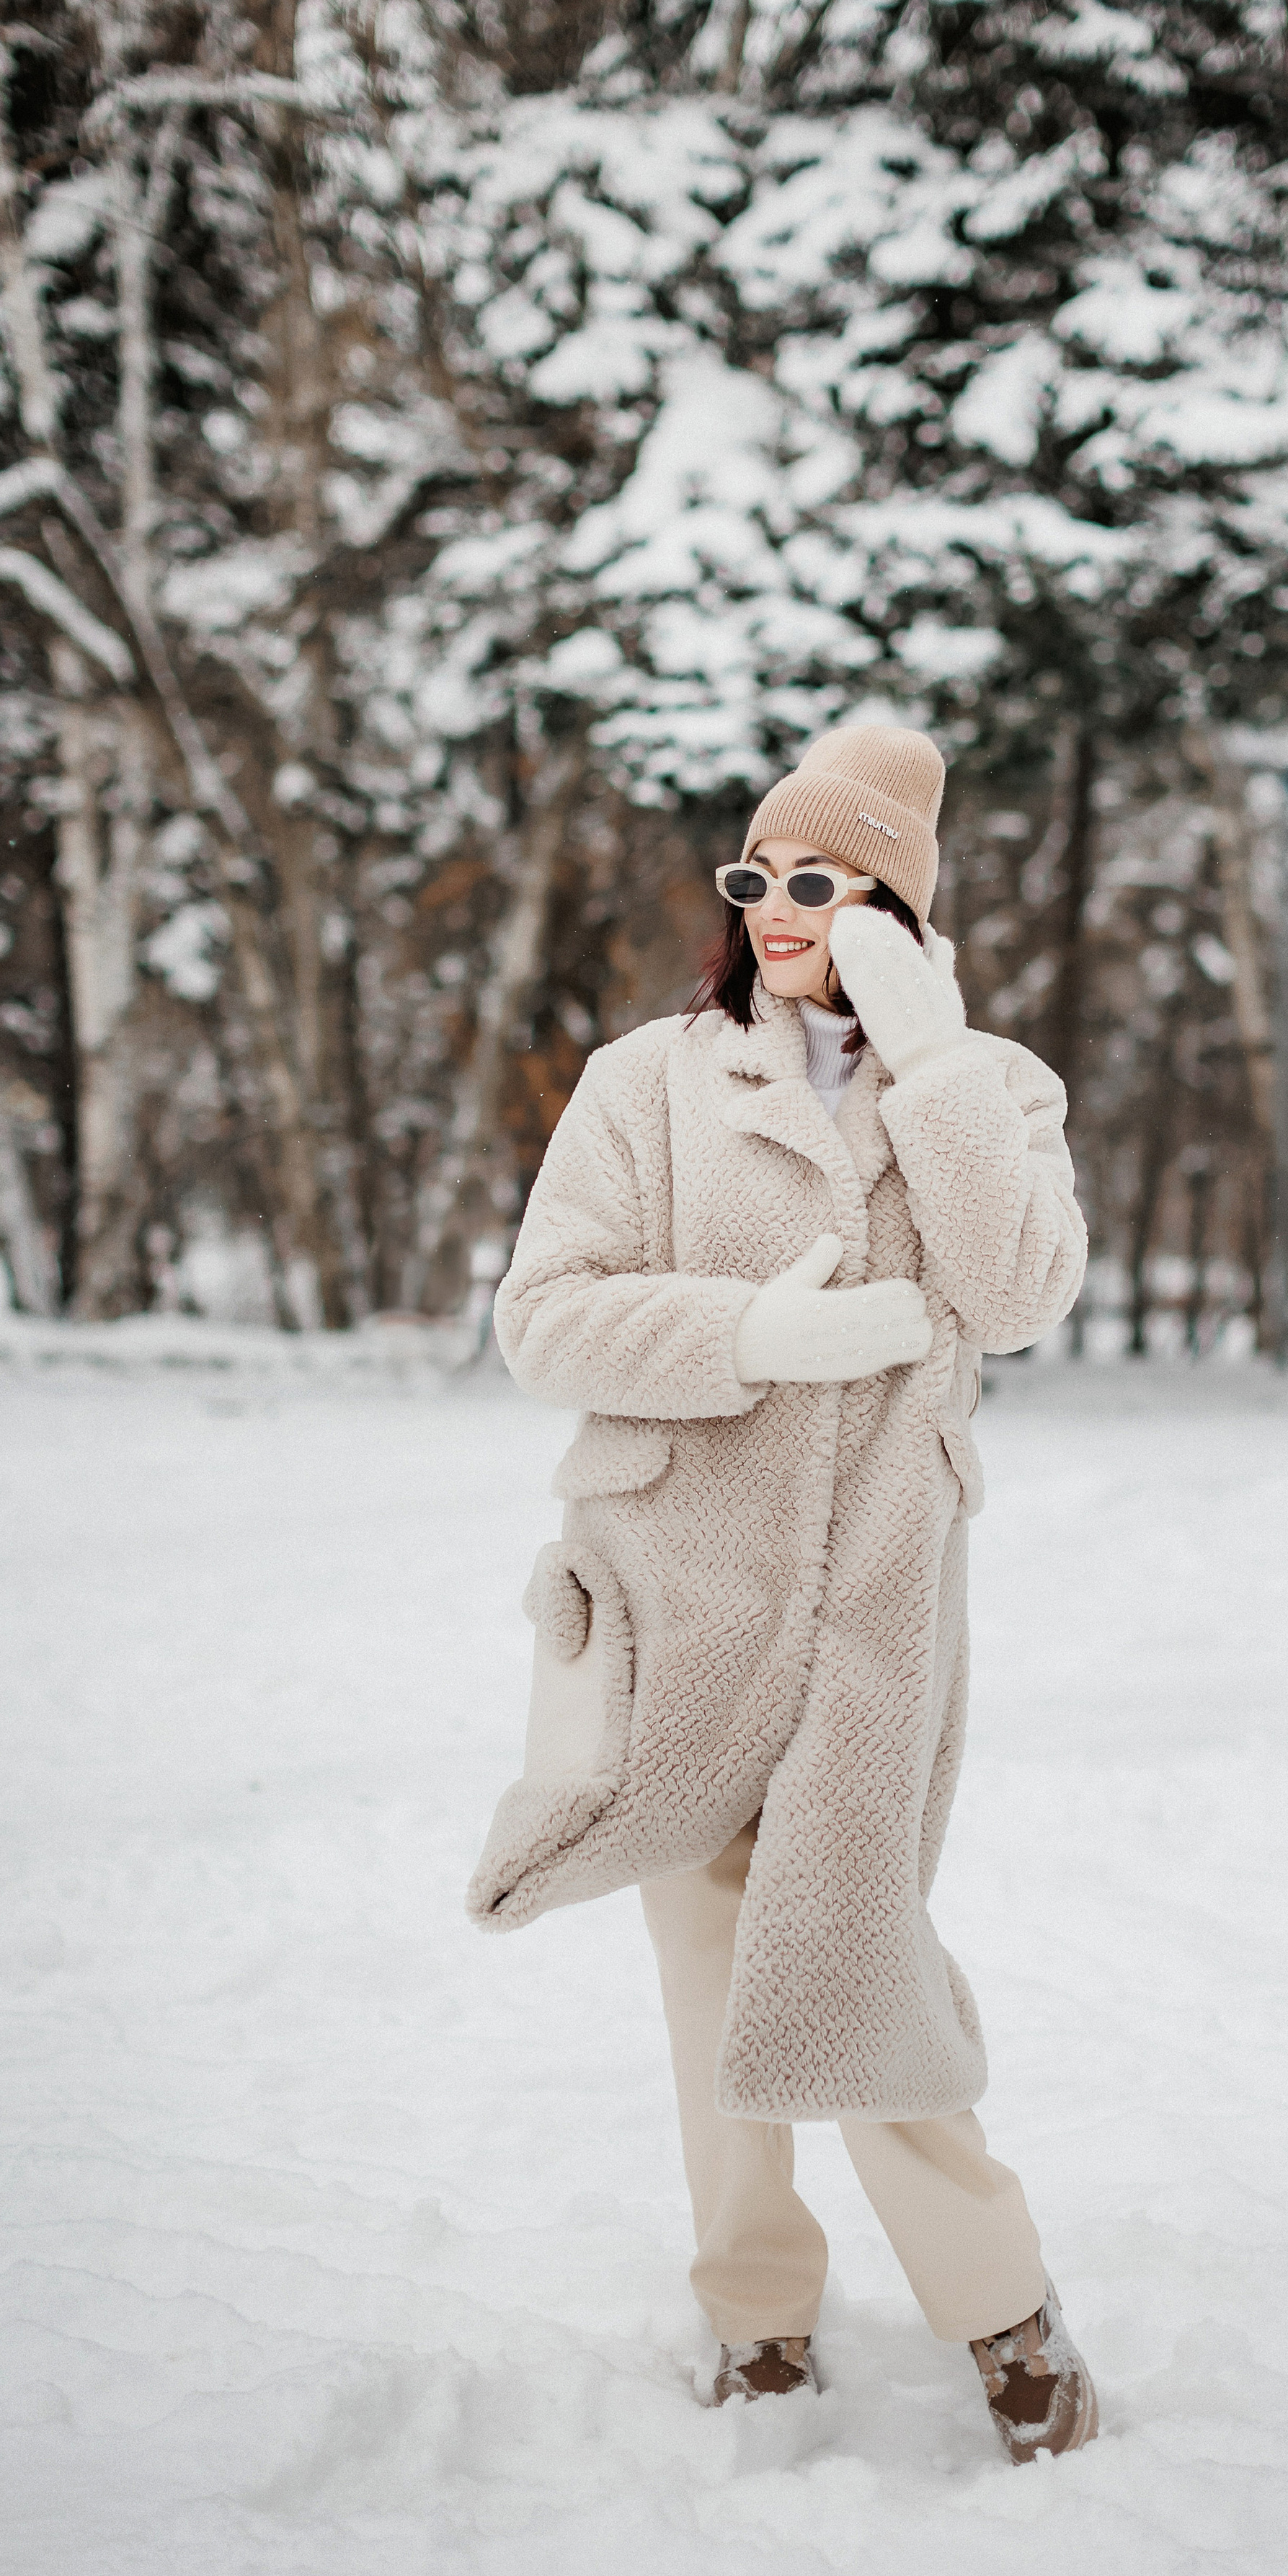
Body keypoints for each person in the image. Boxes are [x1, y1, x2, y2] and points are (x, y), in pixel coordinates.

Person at [468, 722, 1097, 2463]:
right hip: (680, 1604)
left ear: (895, 905)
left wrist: (929, 1054)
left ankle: (1004, 2311)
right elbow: (543, 1321)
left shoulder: (991, 1087)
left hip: (878, 1616)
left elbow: (1019, 1291)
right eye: (756, 876)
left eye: (820, 880)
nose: (775, 909)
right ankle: (755, 2316)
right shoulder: (644, 1083)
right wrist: (751, 1336)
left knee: (854, 1956)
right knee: (705, 1979)